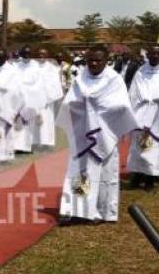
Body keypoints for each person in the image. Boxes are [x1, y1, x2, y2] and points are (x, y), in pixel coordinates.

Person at [57, 46, 137, 225]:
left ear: (106, 60)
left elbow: (122, 106)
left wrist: (97, 106)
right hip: (82, 134)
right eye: (90, 60)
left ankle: (102, 212)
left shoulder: (114, 80)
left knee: (104, 176)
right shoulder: (81, 78)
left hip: (105, 134)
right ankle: (78, 210)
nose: (93, 63)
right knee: (81, 172)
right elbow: (69, 103)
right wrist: (83, 105)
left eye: (98, 60)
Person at [126, 47, 159, 190]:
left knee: (153, 147)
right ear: (148, 55)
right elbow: (134, 91)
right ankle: (136, 177)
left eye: (158, 54)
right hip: (142, 111)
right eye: (153, 53)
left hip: (157, 114)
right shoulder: (140, 72)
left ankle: (150, 179)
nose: (155, 56)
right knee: (137, 146)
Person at [0, 49, 22, 162]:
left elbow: (16, 89)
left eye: (1, 58)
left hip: (6, 104)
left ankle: (6, 154)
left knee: (5, 130)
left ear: (6, 58)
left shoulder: (12, 71)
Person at [11, 47, 45, 153]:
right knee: (17, 121)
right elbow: (13, 80)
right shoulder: (17, 66)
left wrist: (31, 93)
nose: (26, 56)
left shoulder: (36, 67)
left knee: (29, 123)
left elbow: (39, 84)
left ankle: (27, 146)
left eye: (28, 54)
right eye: (24, 54)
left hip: (31, 98)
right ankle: (16, 146)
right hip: (18, 97)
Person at [33, 48, 64, 148]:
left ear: (47, 56)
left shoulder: (53, 68)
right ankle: (35, 142)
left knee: (46, 122)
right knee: (34, 122)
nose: (41, 56)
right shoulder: (33, 67)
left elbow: (55, 84)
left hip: (47, 100)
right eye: (39, 54)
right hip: (35, 100)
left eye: (43, 54)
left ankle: (47, 142)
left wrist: (48, 97)